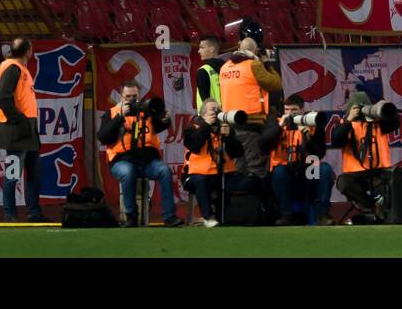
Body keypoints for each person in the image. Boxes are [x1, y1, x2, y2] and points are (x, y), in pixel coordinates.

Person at [97, 80, 184, 227]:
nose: (132, 100)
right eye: (128, 97)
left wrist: (165, 120)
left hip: (148, 161)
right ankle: (131, 216)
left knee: (164, 170)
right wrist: (119, 118)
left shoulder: (146, 111)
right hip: (121, 161)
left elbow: (159, 126)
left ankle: (169, 217)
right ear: (121, 97)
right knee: (128, 172)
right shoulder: (111, 113)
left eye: (134, 97)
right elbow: (103, 137)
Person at [0, 37, 44, 221]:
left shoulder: (17, 68)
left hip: (27, 132)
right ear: (29, 50)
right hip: (16, 132)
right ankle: (11, 215)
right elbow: (2, 98)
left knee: (34, 174)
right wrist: (18, 120)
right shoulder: (12, 68)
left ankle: (33, 213)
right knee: (12, 176)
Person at [260, 94, 334, 225]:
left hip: (308, 171)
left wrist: (307, 136)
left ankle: (322, 214)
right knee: (279, 172)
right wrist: (280, 127)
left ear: (301, 110)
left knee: (325, 169)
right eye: (287, 110)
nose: (290, 114)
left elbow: (319, 154)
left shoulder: (312, 123)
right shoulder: (275, 123)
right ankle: (286, 215)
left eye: (293, 110)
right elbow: (262, 145)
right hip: (285, 170)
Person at [218, 36, 283, 181]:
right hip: (251, 122)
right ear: (255, 51)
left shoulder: (224, 67)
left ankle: (242, 200)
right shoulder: (254, 65)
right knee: (256, 167)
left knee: (240, 165)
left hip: (231, 123)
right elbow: (276, 84)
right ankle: (256, 201)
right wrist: (266, 63)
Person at [331, 90, 397, 222]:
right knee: (343, 182)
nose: (361, 111)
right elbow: (336, 140)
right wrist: (348, 121)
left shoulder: (379, 123)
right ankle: (371, 208)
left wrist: (381, 110)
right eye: (358, 108)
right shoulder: (346, 124)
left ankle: (384, 212)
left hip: (380, 171)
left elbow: (394, 123)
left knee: (393, 183)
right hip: (355, 173)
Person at [183, 97, 245, 228]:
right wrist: (206, 125)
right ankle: (207, 217)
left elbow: (238, 152)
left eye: (218, 110)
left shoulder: (225, 128)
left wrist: (228, 137)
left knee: (245, 182)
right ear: (203, 113)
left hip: (223, 173)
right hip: (196, 175)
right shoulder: (192, 128)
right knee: (201, 181)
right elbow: (194, 145)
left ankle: (230, 217)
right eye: (212, 110)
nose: (216, 113)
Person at [193, 35, 223, 109]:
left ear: (212, 49)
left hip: (209, 116)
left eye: (202, 48)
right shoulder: (227, 68)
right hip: (226, 114)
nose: (199, 51)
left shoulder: (203, 71)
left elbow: (205, 100)